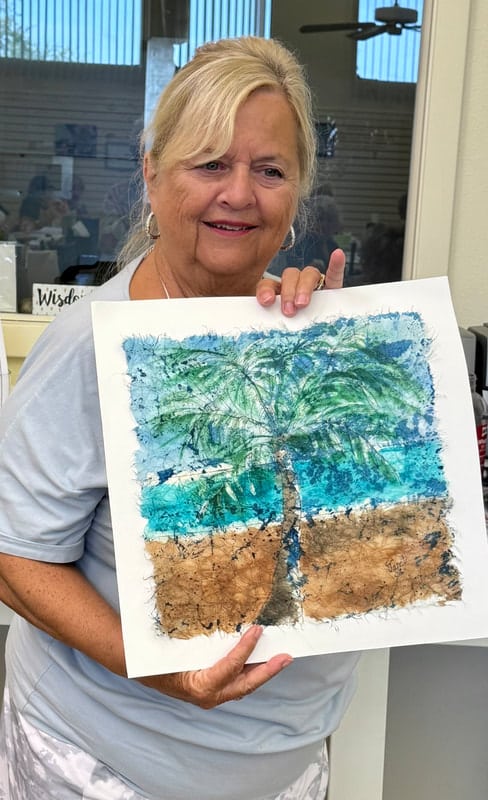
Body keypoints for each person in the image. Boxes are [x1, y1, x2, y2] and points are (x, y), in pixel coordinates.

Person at [0, 36, 358, 800]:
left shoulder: (301, 329)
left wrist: (343, 355)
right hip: (104, 770)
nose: (240, 194)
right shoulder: (90, 343)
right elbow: (13, 558)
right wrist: (169, 673)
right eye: (210, 164)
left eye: (270, 170)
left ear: (298, 191)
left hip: (288, 769)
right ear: (153, 172)